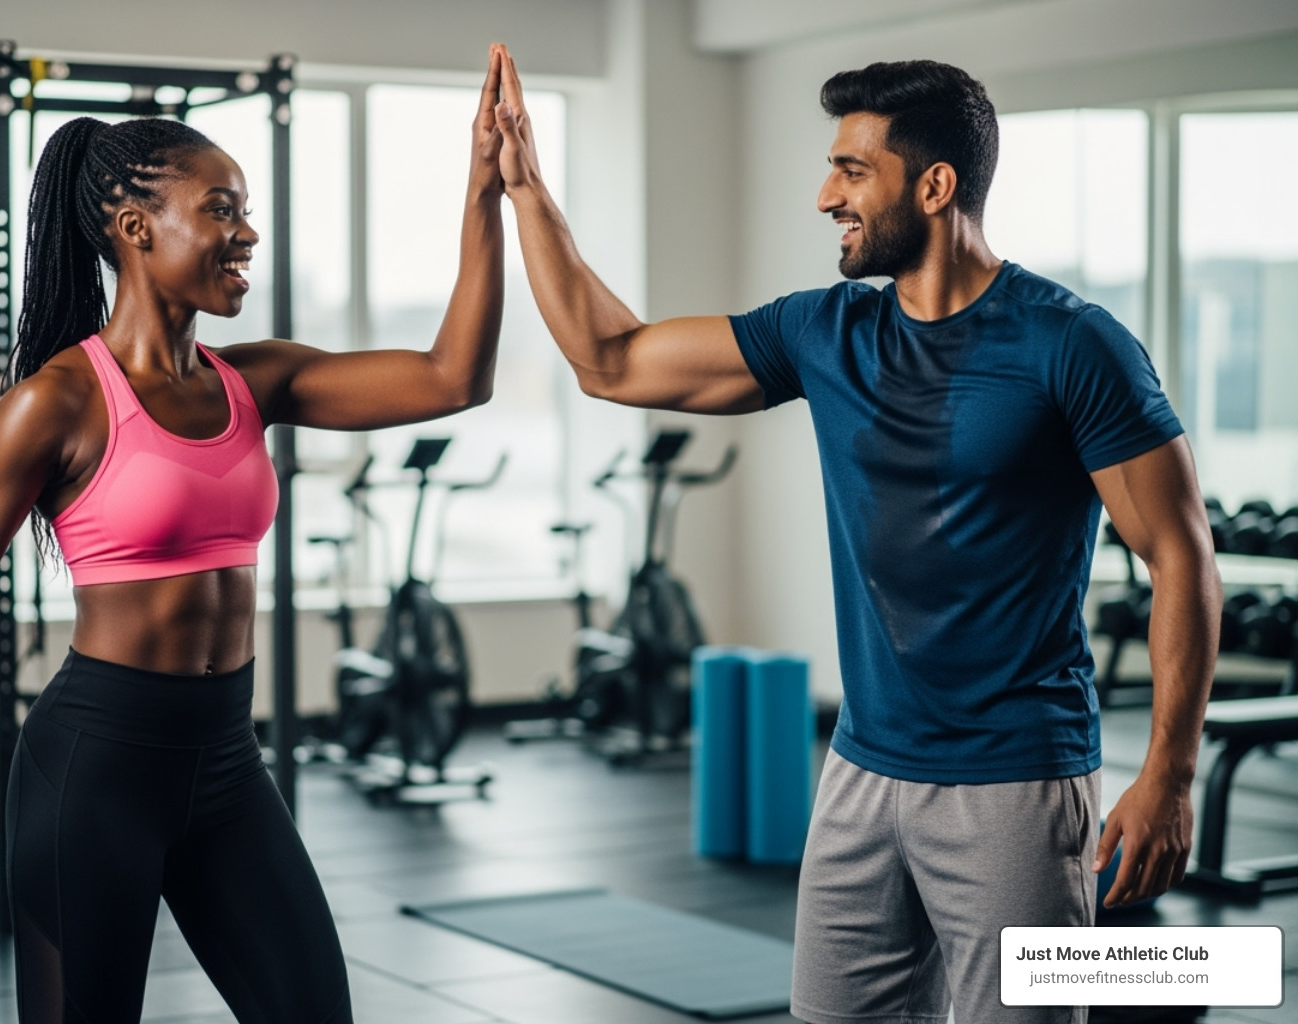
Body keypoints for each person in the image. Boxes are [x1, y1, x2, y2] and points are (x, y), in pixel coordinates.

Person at [490, 52, 1220, 1024]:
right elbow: (611, 361)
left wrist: (1168, 778)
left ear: (934, 185)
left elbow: (1181, 559)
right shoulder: (825, 334)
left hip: (1015, 781)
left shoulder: (1070, 346)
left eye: (851, 170)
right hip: (861, 770)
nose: (825, 194)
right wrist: (527, 190)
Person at [0, 45, 514, 1024]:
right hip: (94, 771)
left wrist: (484, 192)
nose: (248, 232)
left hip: (227, 765)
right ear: (135, 228)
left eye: (246, 209)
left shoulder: (257, 381)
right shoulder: (54, 404)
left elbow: (452, 377)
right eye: (222, 209)